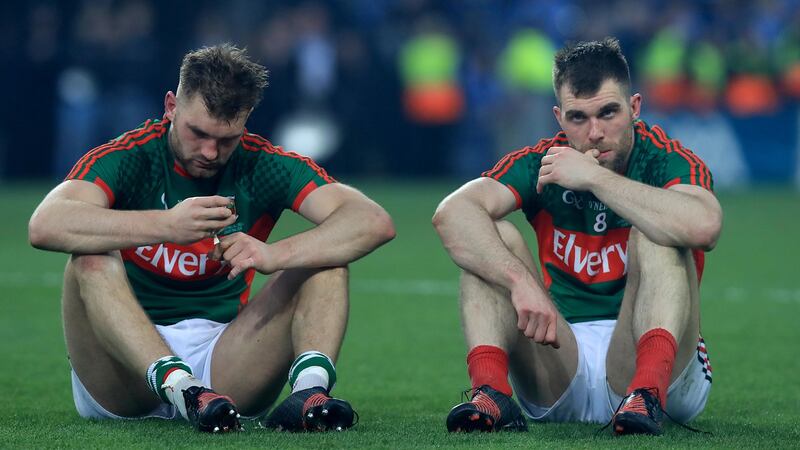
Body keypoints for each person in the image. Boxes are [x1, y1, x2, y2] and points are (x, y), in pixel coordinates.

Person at [28, 44, 395, 433]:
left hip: (222, 363)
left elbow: (372, 221)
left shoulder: (262, 164)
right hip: (121, 372)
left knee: (326, 258)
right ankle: (180, 386)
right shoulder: (131, 157)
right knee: (89, 256)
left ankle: (308, 394)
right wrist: (166, 225)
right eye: (198, 133)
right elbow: (45, 225)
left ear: (245, 122)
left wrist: (274, 254)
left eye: (226, 140)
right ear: (171, 106)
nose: (209, 151)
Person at [432, 38, 721, 436]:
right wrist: (518, 282)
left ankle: (647, 394)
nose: (595, 132)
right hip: (558, 361)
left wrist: (595, 178)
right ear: (559, 117)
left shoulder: (663, 157)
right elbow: (452, 214)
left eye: (608, 113)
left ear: (635, 107)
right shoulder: (543, 161)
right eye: (578, 118)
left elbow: (704, 226)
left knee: (655, 233)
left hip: (655, 365)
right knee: (489, 237)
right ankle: (491, 393)